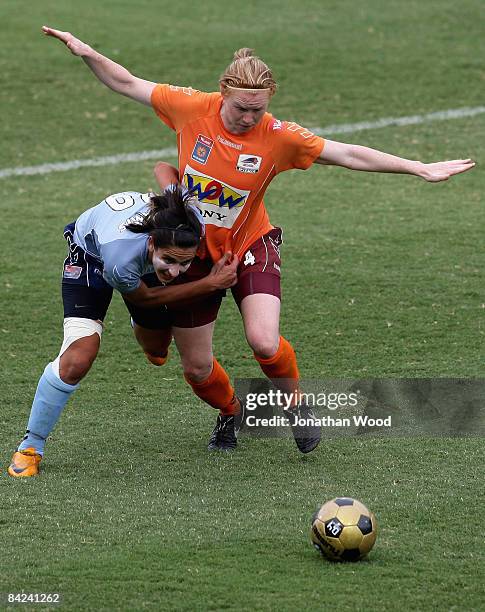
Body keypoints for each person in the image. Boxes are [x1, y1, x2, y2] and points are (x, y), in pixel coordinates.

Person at [38, 27, 476, 456]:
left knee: (264, 341)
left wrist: (417, 166)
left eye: (258, 110)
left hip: (251, 243)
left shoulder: (279, 135)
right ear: (222, 92)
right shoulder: (191, 108)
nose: (250, 118)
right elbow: (127, 82)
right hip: (195, 256)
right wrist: (86, 52)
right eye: (241, 109)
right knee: (196, 368)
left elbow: (347, 154)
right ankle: (230, 411)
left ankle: (296, 404)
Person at [8, 187, 239, 477]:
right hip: (90, 259)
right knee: (78, 359)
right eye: (169, 260)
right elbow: (144, 298)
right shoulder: (121, 258)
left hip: (137, 267)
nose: (176, 271)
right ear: (152, 243)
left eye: (185, 262)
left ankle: (145, 329)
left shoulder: (189, 224)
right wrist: (210, 283)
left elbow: (166, 176)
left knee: (157, 352)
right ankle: (31, 447)